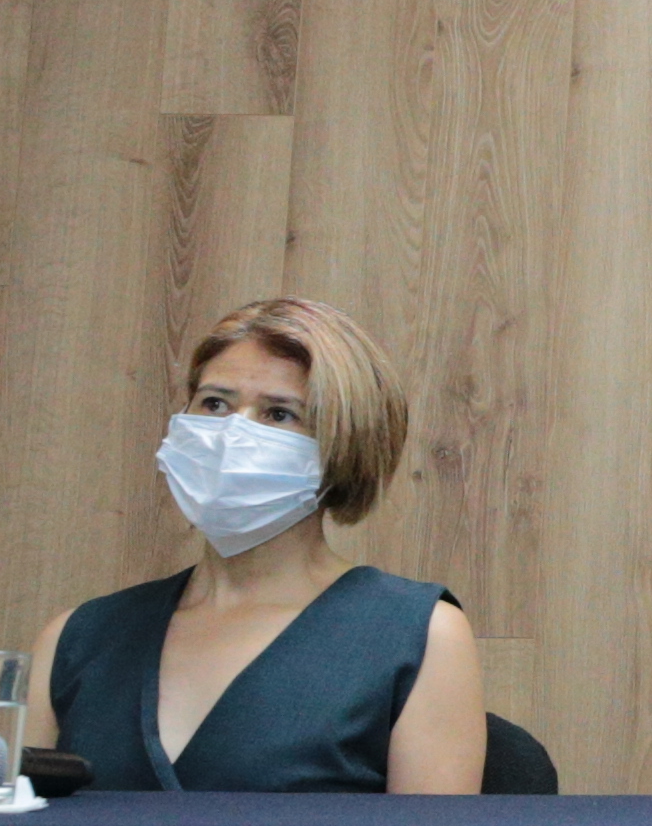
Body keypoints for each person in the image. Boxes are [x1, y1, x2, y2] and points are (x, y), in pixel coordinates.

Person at [34, 296, 486, 793]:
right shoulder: (78, 639)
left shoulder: (417, 634)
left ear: (343, 445)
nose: (232, 433)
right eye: (214, 403)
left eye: (278, 414)